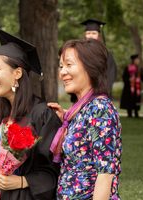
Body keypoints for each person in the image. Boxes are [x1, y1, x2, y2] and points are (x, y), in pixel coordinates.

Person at [0, 28, 62, 200]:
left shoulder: (42, 114)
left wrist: (22, 181)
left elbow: (54, 170)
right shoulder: (3, 115)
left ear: (17, 73)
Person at [49, 39, 122, 199]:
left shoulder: (100, 109)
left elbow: (105, 174)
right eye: (61, 66)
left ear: (90, 67)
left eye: (69, 65)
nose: (62, 72)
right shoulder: (81, 110)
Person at [81, 19, 117, 97]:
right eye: (88, 33)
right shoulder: (80, 52)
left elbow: (111, 73)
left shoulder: (105, 53)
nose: (90, 36)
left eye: (94, 33)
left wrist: (104, 90)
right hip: (82, 91)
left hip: (100, 91)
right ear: (85, 35)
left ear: (99, 35)